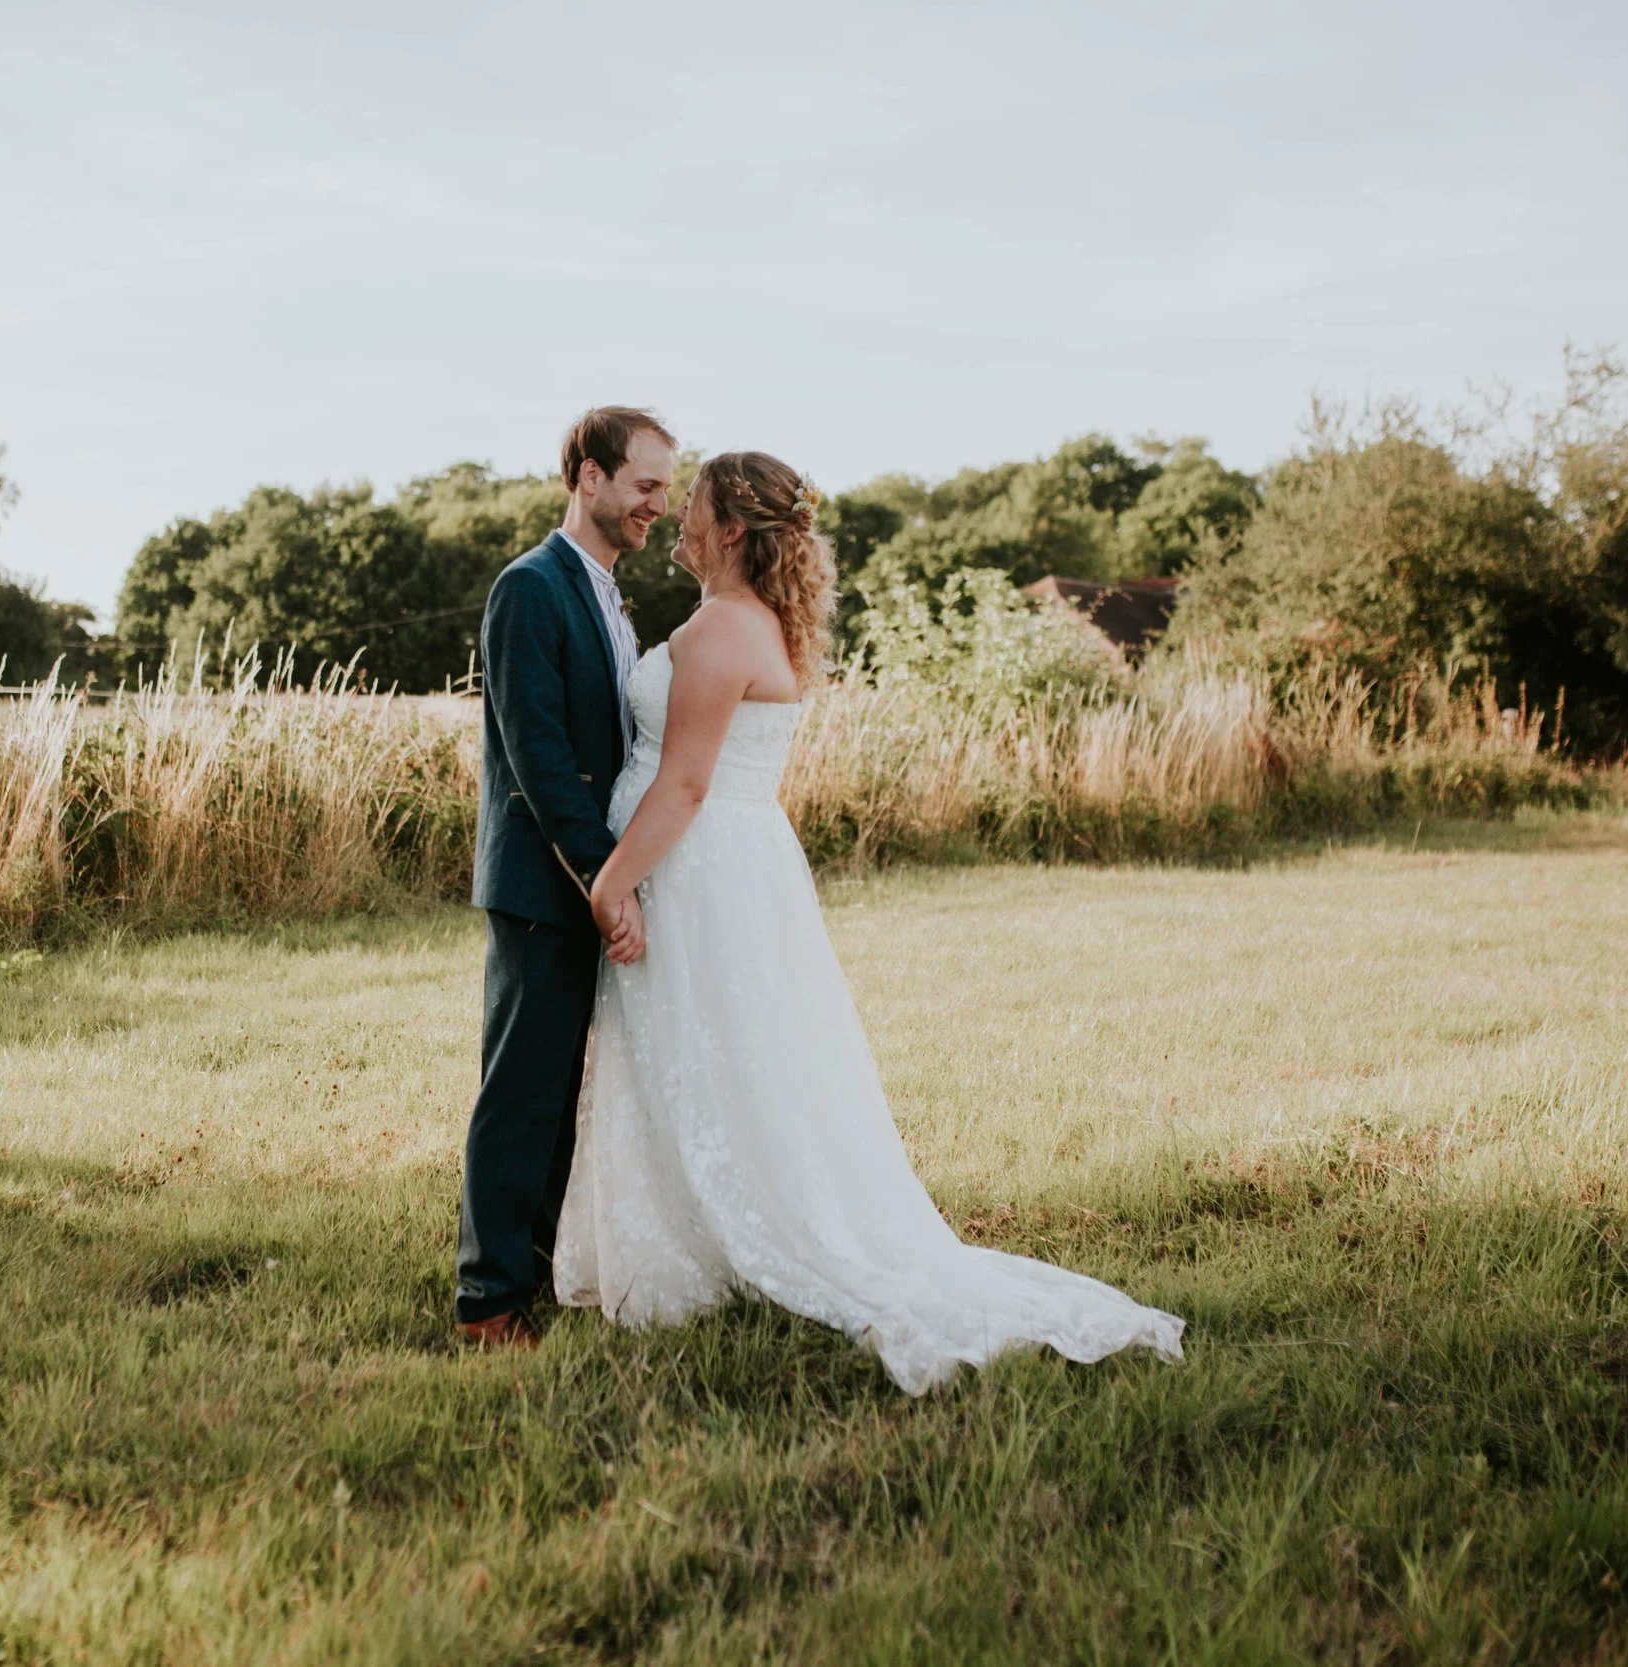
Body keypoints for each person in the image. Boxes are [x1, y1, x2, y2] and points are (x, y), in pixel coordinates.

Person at [555, 450, 1186, 1393]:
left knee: (705, 1052)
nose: (677, 516)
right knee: (713, 1057)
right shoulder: (743, 619)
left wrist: (610, 886)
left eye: (691, 504)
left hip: (694, 868)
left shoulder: (724, 626)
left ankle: (717, 1251)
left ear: (731, 528)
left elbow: (684, 783)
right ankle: (695, 1240)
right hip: (720, 867)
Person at [455, 405, 677, 1347]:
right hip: (544, 887)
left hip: (591, 884)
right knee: (521, 1094)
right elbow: (541, 762)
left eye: (665, 489)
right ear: (589, 476)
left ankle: (537, 1271)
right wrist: (605, 878)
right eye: (645, 485)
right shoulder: (530, 588)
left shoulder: (606, 593)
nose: (658, 505)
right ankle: (487, 1300)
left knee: (561, 1097)